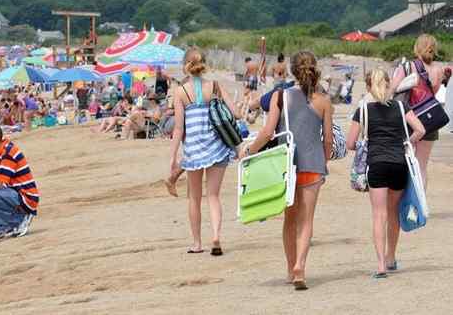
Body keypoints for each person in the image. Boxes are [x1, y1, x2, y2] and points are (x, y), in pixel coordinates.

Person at [238, 51, 333, 290]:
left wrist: (249, 151)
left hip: (286, 165)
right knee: (307, 221)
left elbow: (268, 131)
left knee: (290, 220)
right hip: (313, 165)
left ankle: (291, 269)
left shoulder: (280, 96)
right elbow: (329, 140)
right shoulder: (324, 101)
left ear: (292, 70)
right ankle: (301, 265)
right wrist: (325, 161)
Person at [347, 69, 425, 278]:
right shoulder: (401, 106)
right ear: (389, 84)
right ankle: (391, 257)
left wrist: (367, 144)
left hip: (377, 164)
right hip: (398, 164)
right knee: (393, 214)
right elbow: (420, 130)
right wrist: (406, 142)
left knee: (378, 215)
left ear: (368, 86)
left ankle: (381, 265)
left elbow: (349, 143)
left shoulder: (363, 109)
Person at [169, 47, 236, 256]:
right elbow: (236, 113)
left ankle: (197, 243)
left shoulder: (180, 92)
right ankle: (216, 236)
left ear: (185, 66)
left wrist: (173, 156)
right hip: (217, 147)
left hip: (194, 150)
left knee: (194, 198)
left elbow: (179, 128)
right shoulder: (215, 86)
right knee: (213, 196)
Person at [390, 34, 445, 189]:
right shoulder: (438, 70)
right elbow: (432, 92)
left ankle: (406, 203)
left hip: (409, 119)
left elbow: (392, 90)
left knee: (406, 162)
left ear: (417, 47)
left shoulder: (406, 67)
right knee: (422, 166)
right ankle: (421, 205)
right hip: (430, 120)